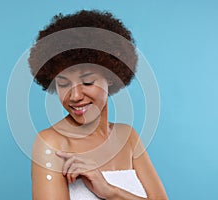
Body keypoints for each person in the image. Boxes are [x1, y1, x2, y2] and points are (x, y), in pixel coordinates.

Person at [28, 10, 168, 200]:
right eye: (63, 84)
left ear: (110, 77)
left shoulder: (128, 138)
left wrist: (110, 192)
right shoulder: (52, 144)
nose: (75, 96)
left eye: (87, 82)